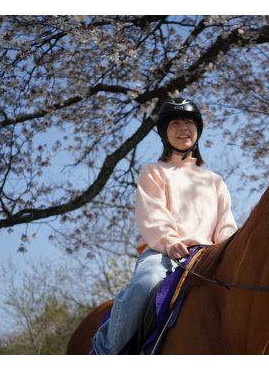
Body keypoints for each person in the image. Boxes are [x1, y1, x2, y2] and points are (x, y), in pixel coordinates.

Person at [91, 97, 238, 354]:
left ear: (198, 130)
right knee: (144, 284)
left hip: (208, 257)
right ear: (164, 133)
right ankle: (105, 351)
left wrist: (231, 249)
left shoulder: (215, 181)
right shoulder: (154, 171)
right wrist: (170, 241)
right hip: (164, 254)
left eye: (189, 122)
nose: (183, 128)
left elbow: (226, 223)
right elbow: (153, 216)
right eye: (176, 123)